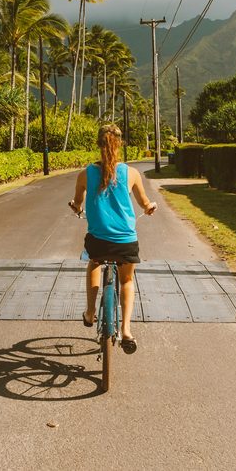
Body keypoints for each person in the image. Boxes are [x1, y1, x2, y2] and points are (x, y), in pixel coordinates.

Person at [68, 123, 157, 353]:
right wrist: (150, 207)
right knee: (126, 280)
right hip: (126, 241)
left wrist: (76, 208)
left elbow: (77, 203)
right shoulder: (131, 173)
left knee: (94, 262)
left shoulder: (85, 174)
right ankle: (126, 330)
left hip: (98, 241)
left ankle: (90, 312)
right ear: (120, 144)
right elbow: (145, 203)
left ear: (99, 144)